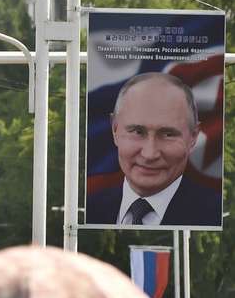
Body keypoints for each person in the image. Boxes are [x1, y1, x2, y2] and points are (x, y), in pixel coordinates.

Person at [85, 72, 221, 227]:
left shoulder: (213, 214)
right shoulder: (91, 208)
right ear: (115, 130)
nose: (150, 154)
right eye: (137, 132)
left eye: (168, 134)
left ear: (193, 137)